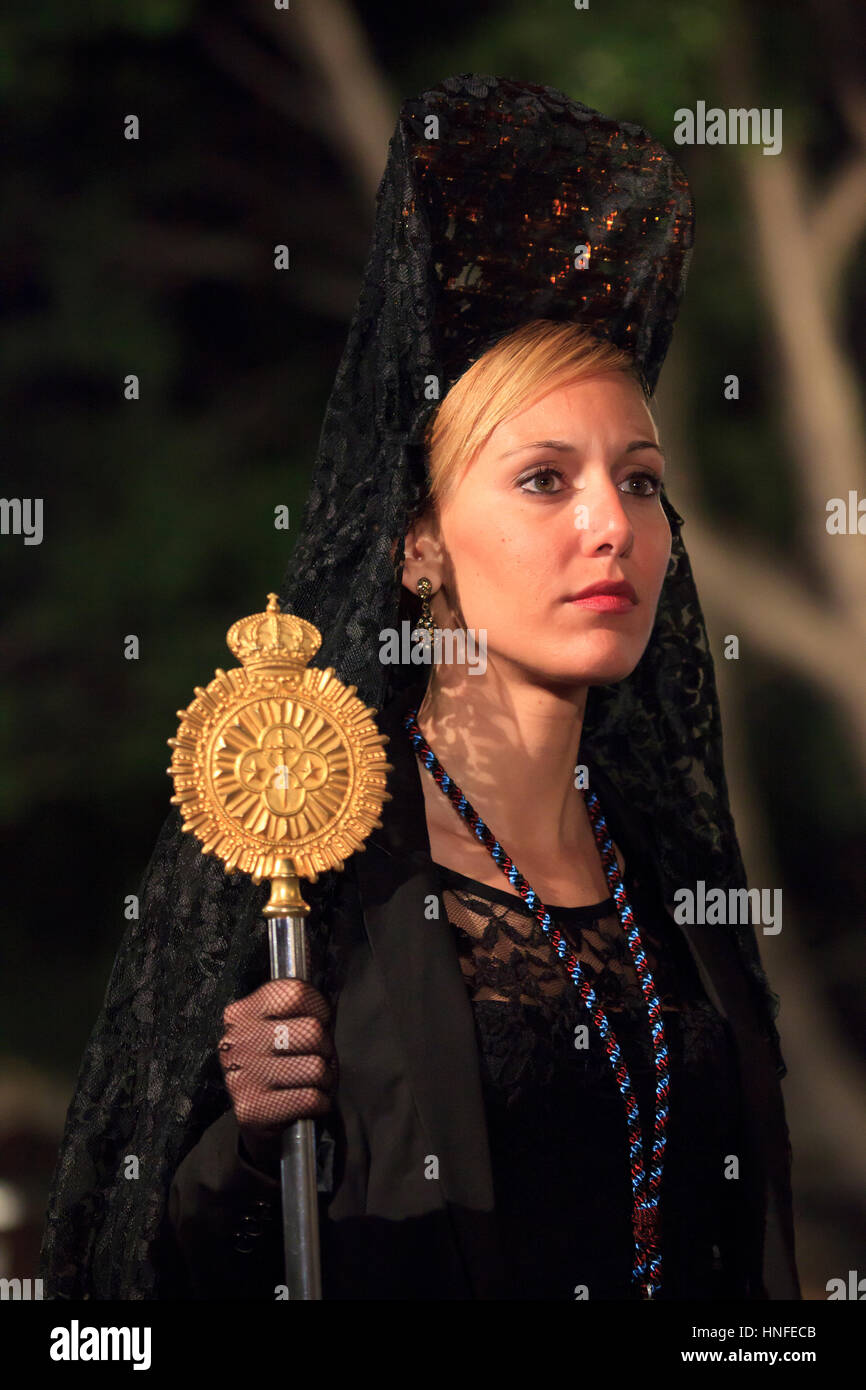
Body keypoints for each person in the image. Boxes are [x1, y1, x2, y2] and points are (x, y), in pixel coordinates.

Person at [39, 74, 800, 1301]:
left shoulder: (667, 876)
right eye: (544, 479)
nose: (611, 524)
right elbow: (127, 1275)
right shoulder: (307, 852)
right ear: (417, 545)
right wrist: (251, 1142)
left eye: (639, 480)